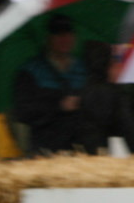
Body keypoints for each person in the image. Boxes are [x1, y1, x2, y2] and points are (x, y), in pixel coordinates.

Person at [13, 14, 90, 155]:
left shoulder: (83, 68)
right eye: (59, 34)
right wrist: (59, 106)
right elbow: (24, 112)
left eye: (69, 34)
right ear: (49, 38)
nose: (65, 39)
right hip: (44, 150)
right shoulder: (31, 70)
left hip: (79, 150)